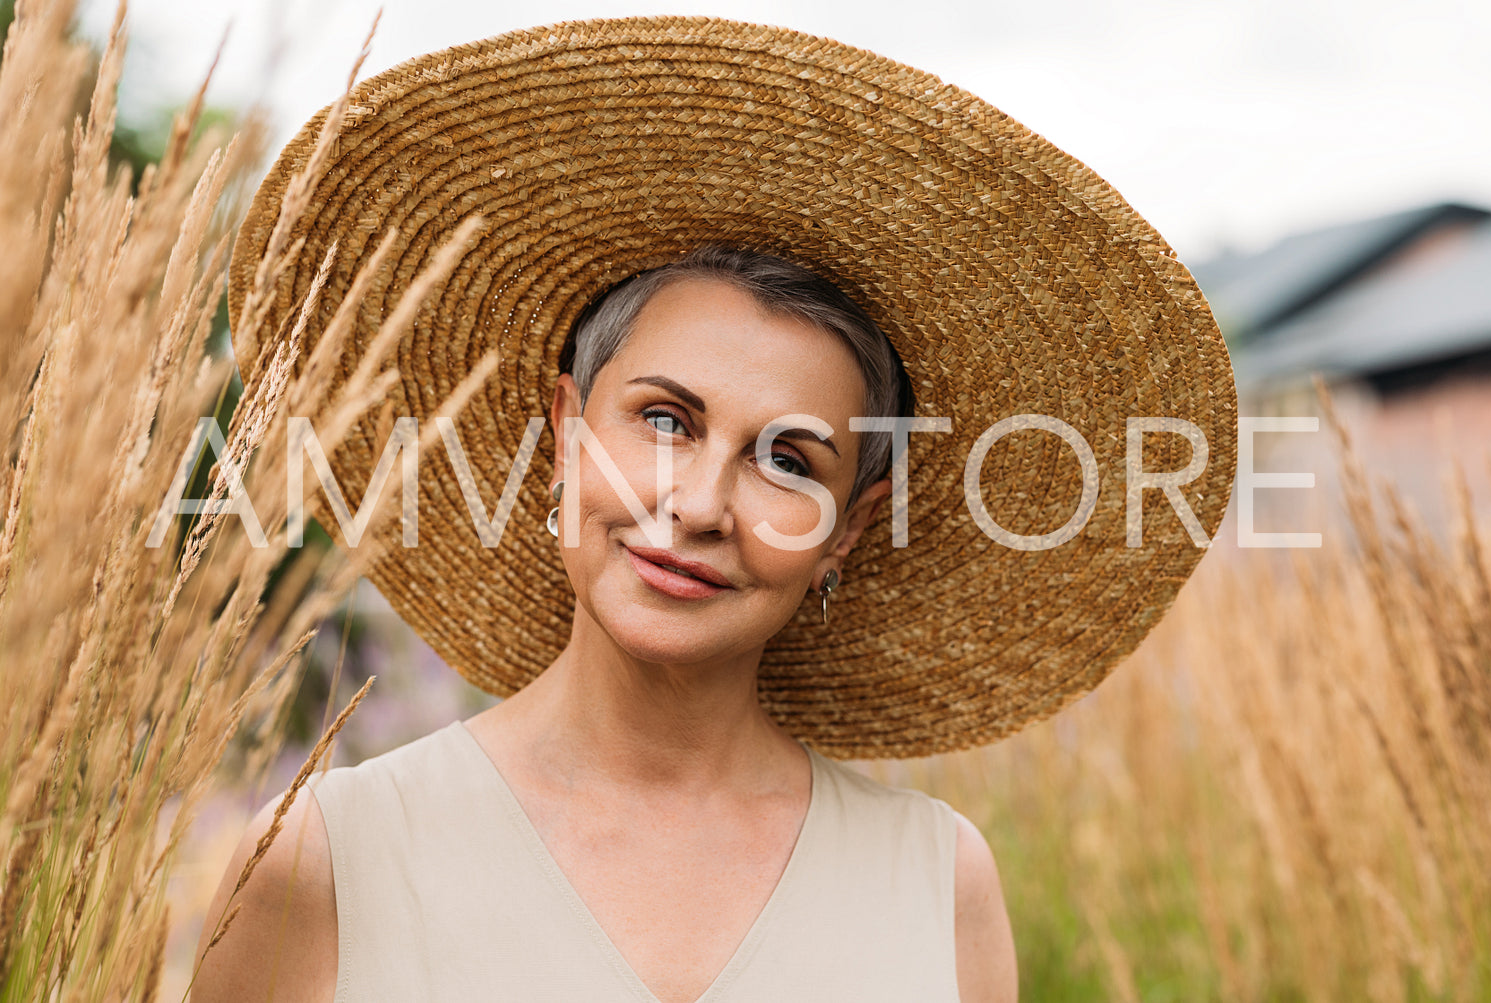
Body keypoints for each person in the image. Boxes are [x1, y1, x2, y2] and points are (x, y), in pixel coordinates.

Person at [193, 16, 1237, 1003]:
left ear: (845, 529)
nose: (696, 505)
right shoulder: (323, 858)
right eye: (664, 420)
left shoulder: (937, 879)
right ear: (564, 431)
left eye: (787, 459)